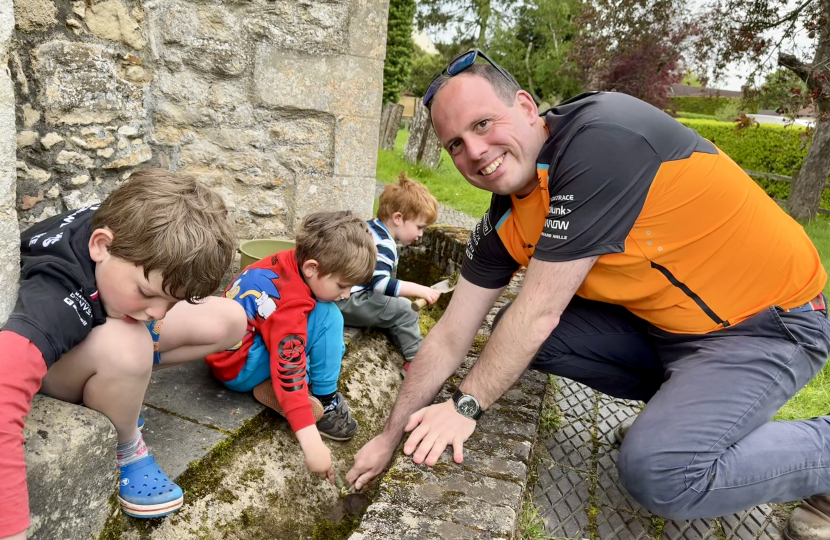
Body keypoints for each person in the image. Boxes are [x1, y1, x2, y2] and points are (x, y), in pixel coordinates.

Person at [346, 50, 830, 538]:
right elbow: (451, 333)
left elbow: (541, 312)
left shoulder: (604, 139)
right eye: (455, 144)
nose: (473, 151)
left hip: (771, 324)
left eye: (483, 123)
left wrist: (465, 407)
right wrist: (389, 437)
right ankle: (685, 417)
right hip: (671, 327)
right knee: (515, 334)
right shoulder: (505, 214)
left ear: (527, 107)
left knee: (660, 474)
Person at [0, 169, 243, 539]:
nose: (159, 313)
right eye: (148, 293)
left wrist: (149, 300)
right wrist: (10, 527)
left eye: (172, 300)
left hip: (108, 313)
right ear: (100, 245)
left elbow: (158, 303)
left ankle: (125, 381)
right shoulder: (55, 295)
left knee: (231, 320)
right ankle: (128, 445)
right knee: (131, 347)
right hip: (58, 354)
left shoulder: (130, 232)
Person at [204, 210, 376, 483]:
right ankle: (327, 400)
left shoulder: (283, 261)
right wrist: (311, 443)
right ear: (312, 268)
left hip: (225, 354)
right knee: (330, 317)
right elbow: (289, 369)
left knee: (315, 317)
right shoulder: (292, 305)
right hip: (239, 368)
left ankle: (266, 384)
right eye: (343, 285)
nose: (346, 294)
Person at [337, 173, 440, 376]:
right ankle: (417, 362)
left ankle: (397, 337)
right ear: (398, 218)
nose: (420, 234)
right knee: (406, 310)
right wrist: (420, 290)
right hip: (350, 301)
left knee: (393, 309)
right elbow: (380, 284)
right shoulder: (384, 245)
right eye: (419, 227)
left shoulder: (369, 227)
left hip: (337, 295)